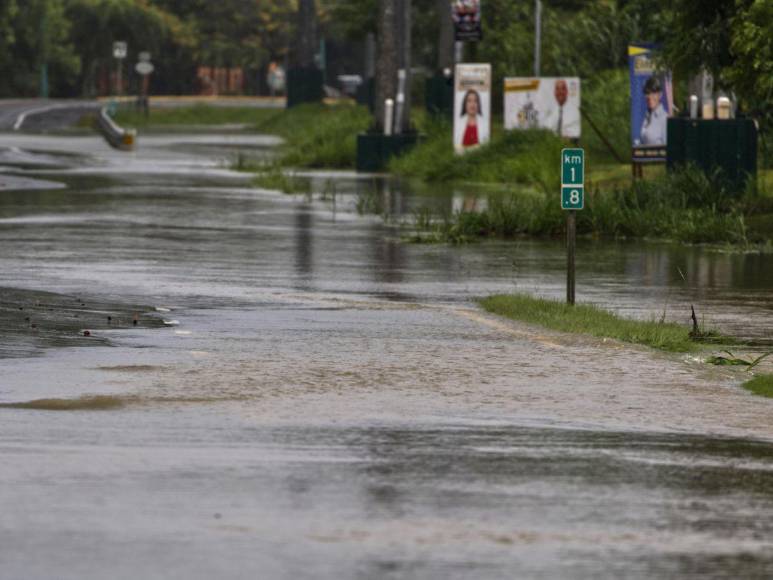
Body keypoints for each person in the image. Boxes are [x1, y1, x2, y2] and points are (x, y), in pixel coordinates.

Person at [640, 76, 667, 145]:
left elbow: (668, 149)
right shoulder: (647, 116)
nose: (650, 96)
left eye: (653, 93)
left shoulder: (665, 119)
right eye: (647, 93)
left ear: (660, 95)